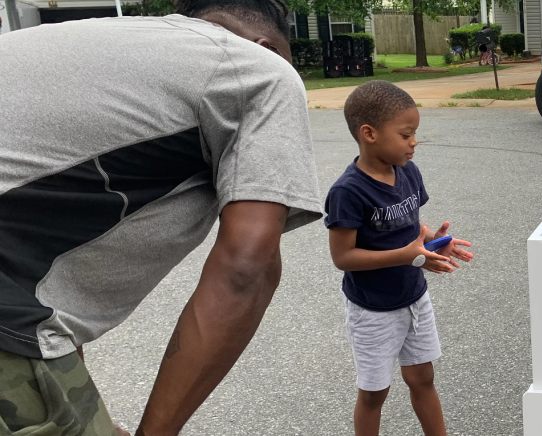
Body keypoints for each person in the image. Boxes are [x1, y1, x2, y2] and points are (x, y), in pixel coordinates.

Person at [0, 0, 321, 434]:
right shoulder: (258, 68)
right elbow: (249, 268)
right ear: (265, 46)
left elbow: (36, 225)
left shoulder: (89, 39)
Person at [324, 80, 473, 436]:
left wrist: (434, 240)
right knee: (375, 393)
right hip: (373, 310)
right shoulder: (348, 191)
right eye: (406, 134)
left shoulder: (407, 171)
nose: (414, 142)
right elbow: (343, 257)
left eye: (415, 133)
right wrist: (407, 256)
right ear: (369, 133)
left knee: (423, 378)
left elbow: (410, 225)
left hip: (414, 298)